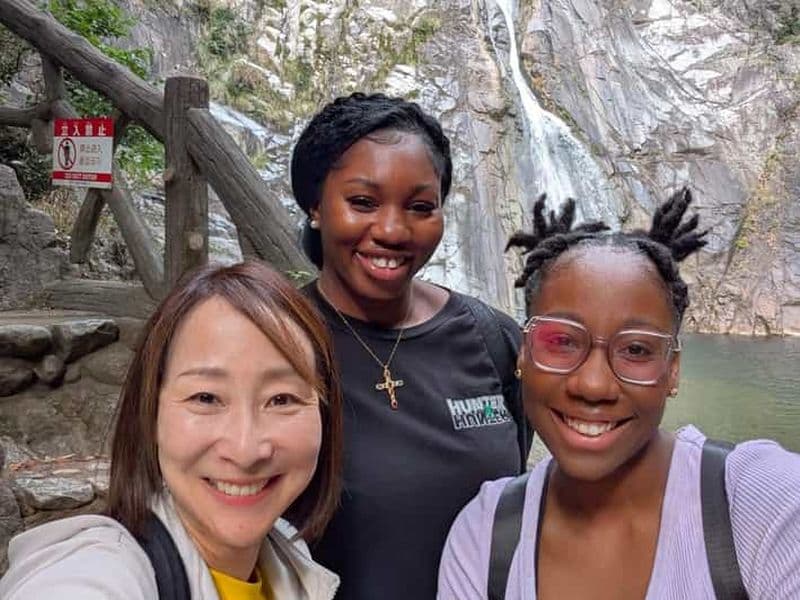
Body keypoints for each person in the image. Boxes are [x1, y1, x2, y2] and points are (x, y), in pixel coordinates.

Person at [438, 189, 800, 599]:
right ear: (523, 353)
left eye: (636, 350)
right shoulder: (482, 538)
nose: (593, 385)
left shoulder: (764, 502)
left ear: (673, 369)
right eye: (561, 341)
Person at [290, 92, 530, 600]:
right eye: (363, 202)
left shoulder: (494, 339)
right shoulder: (277, 343)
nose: (393, 231)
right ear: (315, 206)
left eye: (420, 207)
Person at [0, 261, 343, 599]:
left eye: (281, 399)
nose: (245, 450)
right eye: (206, 398)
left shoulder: (290, 564)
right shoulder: (94, 571)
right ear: (151, 412)